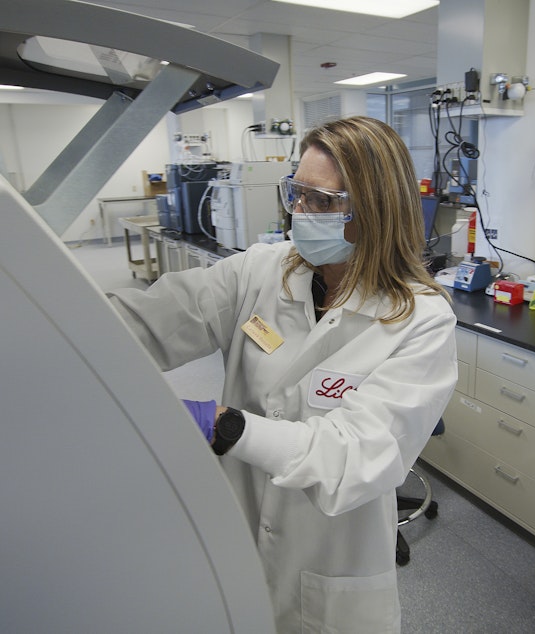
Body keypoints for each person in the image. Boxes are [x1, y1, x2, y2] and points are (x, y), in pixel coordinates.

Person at [108, 116, 458, 632]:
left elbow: (352, 457)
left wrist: (227, 425)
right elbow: (156, 318)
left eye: (321, 201)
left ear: (375, 213)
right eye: (295, 193)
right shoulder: (262, 270)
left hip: (332, 562)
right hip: (239, 538)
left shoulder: (421, 320)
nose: (299, 212)